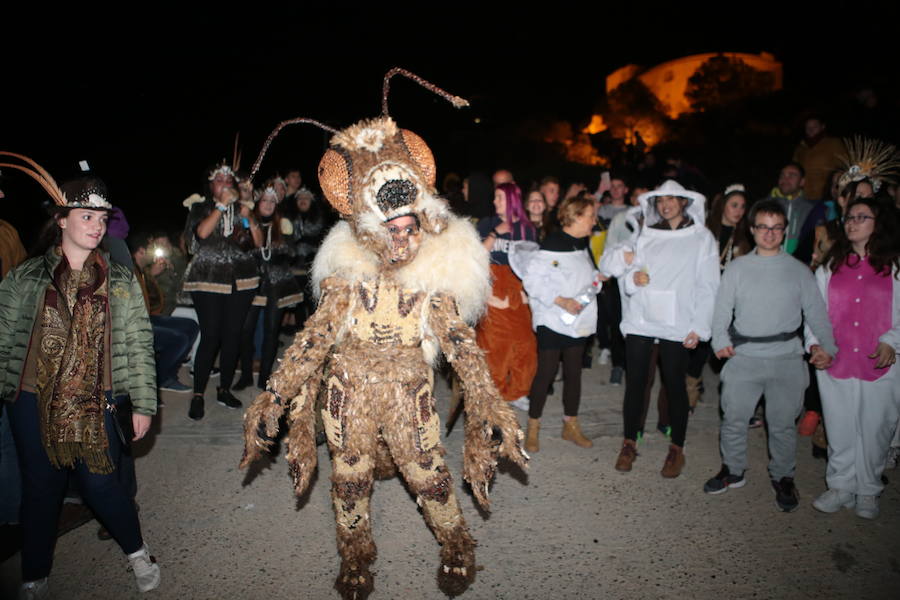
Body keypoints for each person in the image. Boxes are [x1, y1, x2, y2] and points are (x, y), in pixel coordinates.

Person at [0, 162, 160, 597]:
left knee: (103, 484)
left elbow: (140, 345)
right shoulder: (25, 277)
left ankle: (138, 552)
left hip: (98, 398)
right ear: (60, 220)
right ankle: (34, 574)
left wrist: (143, 403)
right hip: (31, 400)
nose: (96, 226)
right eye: (86, 216)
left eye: (102, 218)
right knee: (41, 490)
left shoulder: (120, 279)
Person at [706, 200, 836, 512]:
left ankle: (783, 476)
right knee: (734, 418)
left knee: (781, 424)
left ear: (784, 231)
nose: (769, 233)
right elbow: (722, 309)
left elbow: (817, 313)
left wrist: (827, 347)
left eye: (776, 227)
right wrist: (720, 340)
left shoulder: (798, 270)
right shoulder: (738, 268)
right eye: (763, 227)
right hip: (744, 356)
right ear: (752, 230)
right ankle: (733, 470)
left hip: (787, 358)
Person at [601, 180, 719, 478]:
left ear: (684, 202)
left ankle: (676, 450)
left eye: (672, 199)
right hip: (642, 318)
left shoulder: (701, 238)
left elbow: (708, 285)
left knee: (675, 386)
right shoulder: (643, 233)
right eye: (661, 199)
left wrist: (701, 327)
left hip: (678, 322)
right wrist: (632, 278)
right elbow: (618, 270)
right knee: (636, 384)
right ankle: (629, 443)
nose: (666, 204)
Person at [811, 197, 900, 519]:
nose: (853, 222)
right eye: (849, 217)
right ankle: (840, 485)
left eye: (863, 217)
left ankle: (868, 488)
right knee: (839, 425)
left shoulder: (895, 266)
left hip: (881, 363)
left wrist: (892, 340)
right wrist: (815, 345)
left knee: (876, 428)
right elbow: (814, 311)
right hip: (837, 360)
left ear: (879, 222)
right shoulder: (830, 266)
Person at [511, 195, 605, 451]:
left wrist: (597, 277)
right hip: (552, 319)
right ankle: (533, 427)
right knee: (546, 373)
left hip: (578, 320)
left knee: (574, 373)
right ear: (575, 217)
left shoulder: (582, 244)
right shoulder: (552, 243)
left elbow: (581, 274)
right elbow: (532, 281)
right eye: (590, 216)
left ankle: (570, 426)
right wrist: (561, 300)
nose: (593, 221)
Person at [182, 165, 261, 419]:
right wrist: (220, 206)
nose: (225, 183)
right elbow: (201, 234)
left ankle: (224, 388)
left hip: (242, 281)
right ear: (211, 185)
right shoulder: (200, 207)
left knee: (233, 336)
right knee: (211, 335)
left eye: (229, 180)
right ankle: (197, 395)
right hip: (208, 280)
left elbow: (257, 243)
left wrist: (249, 216)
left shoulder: (243, 209)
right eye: (219, 180)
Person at [235, 182, 303, 390]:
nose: (269, 204)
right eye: (265, 200)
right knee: (245, 331)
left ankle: (265, 375)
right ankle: (246, 374)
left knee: (271, 331)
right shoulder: (247, 223)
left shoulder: (282, 226)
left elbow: (291, 252)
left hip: (276, 283)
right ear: (258, 202)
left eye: (273, 201)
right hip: (253, 283)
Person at [476, 182, 538, 407]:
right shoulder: (487, 224)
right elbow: (476, 258)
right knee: (495, 346)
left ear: (512, 200)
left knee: (525, 345)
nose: (495, 202)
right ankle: (494, 395)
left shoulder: (526, 228)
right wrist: (494, 234)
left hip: (518, 290)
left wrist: (527, 293)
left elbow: (532, 264)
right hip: (493, 287)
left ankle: (517, 392)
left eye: (499, 197)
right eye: (495, 197)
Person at [760, 162, 815, 256]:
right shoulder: (765, 205)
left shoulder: (810, 209)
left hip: (798, 264)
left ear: (802, 182)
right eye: (782, 175)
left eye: (792, 175)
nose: (785, 179)